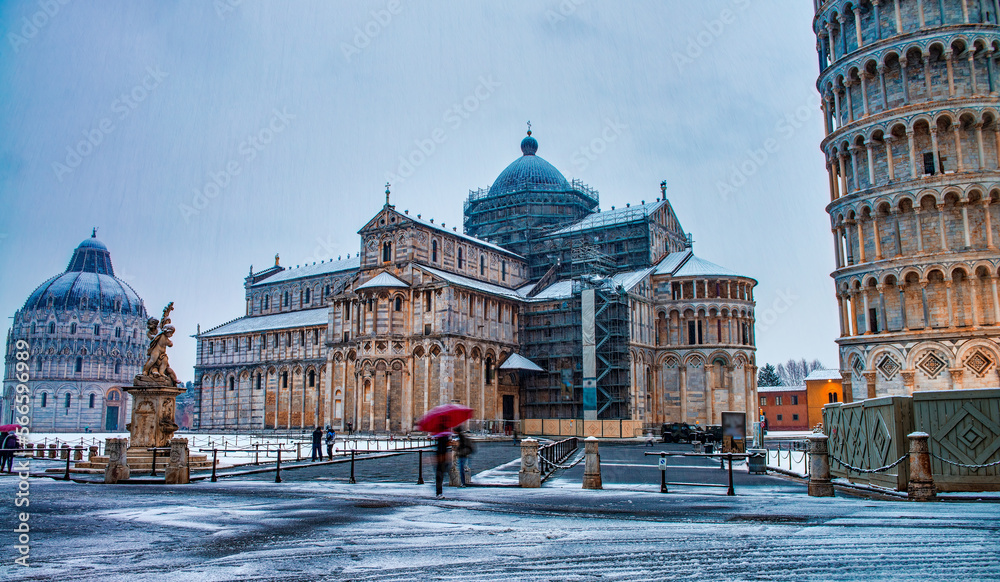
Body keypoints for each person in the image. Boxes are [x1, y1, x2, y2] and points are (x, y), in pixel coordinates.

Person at [434, 431, 450, 497]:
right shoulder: (443, 438)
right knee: (440, 476)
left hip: (442, 459)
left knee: (440, 476)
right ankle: (439, 492)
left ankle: (439, 492)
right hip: (441, 459)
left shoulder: (441, 437)